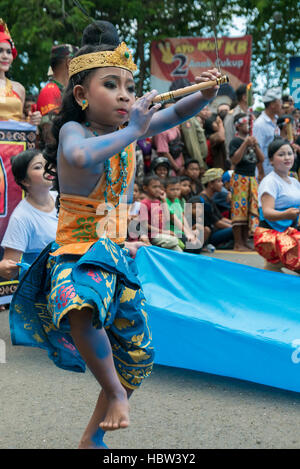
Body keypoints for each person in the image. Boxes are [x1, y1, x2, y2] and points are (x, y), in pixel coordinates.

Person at [9, 22, 221, 449]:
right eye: (112, 85)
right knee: (79, 304)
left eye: (130, 86)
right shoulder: (77, 131)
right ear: (83, 96)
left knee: (135, 354)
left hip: (114, 249)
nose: (126, 95)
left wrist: (205, 94)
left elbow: (178, 112)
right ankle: (116, 395)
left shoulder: (130, 129)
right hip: (75, 247)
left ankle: (93, 438)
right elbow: (79, 156)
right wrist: (133, 131)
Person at [0, 149, 58, 280]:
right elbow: (9, 269)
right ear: (25, 181)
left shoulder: (61, 199)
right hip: (42, 290)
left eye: (48, 164)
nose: (48, 169)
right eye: (38, 167)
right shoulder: (21, 217)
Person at [254, 138, 300, 274]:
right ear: (271, 160)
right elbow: (267, 212)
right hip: (270, 234)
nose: (287, 157)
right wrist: (286, 214)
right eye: (281, 154)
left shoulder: (294, 181)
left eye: (289, 153)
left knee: (273, 270)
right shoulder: (270, 182)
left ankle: (272, 269)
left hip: (290, 232)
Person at [229, 113, 264, 251]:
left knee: (250, 210)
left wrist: (255, 145)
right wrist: (245, 144)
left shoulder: (253, 140)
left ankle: (244, 241)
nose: (249, 126)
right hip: (239, 179)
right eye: (246, 124)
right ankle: (237, 243)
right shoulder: (236, 141)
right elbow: (234, 160)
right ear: (238, 125)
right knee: (239, 211)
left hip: (251, 179)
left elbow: (261, 159)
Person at [0, 19, 41, 124]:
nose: (5, 56)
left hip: (16, 140)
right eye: (0, 51)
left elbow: (21, 123)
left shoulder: (19, 89)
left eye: (8, 52)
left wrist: (31, 120)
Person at [37, 43, 78, 148]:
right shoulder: (50, 91)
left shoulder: (67, 91)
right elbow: (50, 136)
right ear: (69, 62)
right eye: (78, 61)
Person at [169, 78, 208, 171]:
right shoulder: (187, 118)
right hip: (193, 163)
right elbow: (192, 145)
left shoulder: (190, 115)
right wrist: (199, 166)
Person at [140, 175, 183, 252]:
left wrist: (164, 200)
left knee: (179, 252)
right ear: (145, 188)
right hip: (152, 236)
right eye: (154, 187)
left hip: (162, 235)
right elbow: (145, 225)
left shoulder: (158, 202)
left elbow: (167, 218)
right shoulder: (144, 203)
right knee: (174, 241)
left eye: (159, 187)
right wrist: (164, 232)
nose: (157, 189)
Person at [198, 168, 233, 249]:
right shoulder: (203, 199)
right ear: (210, 184)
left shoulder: (210, 197)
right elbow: (217, 223)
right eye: (219, 181)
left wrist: (236, 224)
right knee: (235, 230)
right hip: (208, 236)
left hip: (213, 231)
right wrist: (235, 228)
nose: (222, 184)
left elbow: (221, 218)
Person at [164, 176, 201, 252]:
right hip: (173, 232)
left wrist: (189, 232)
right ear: (165, 190)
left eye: (177, 189)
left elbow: (182, 216)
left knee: (197, 245)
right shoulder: (165, 202)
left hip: (181, 231)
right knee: (192, 247)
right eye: (172, 189)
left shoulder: (177, 200)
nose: (175, 192)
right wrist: (187, 233)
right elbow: (174, 219)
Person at [253, 87, 282, 176]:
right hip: (265, 172)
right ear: (272, 104)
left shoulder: (277, 121)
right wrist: (261, 173)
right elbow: (257, 149)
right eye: (279, 101)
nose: (282, 104)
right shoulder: (260, 124)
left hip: (276, 170)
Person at [223, 84, 248, 155]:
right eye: (252, 95)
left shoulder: (250, 114)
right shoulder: (232, 115)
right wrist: (231, 159)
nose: (254, 98)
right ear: (244, 97)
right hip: (237, 158)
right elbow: (229, 138)